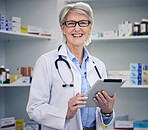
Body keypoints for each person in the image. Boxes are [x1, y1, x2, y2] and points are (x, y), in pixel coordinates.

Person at [26, 2, 116, 130]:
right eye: (71, 23)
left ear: (90, 27)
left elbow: (104, 115)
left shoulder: (98, 65)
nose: (77, 28)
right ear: (62, 27)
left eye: (83, 23)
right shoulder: (46, 61)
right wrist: (65, 114)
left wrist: (107, 112)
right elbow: (34, 108)